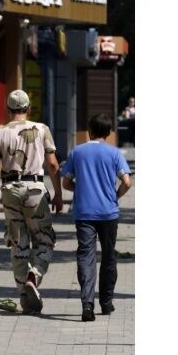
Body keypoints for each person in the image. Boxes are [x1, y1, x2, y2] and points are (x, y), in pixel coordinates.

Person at [0, 90, 64, 315]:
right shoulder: (41, 130)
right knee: (45, 240)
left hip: (9, 190)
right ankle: (34, 276)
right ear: (28, 109)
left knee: (18, 242)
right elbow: (53, 165)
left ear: (7, 110)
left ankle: (23, 296)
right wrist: (58, 194)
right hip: (36, 191)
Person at [60, 113, 132, 321]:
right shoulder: (114, 153)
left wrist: (80, 189)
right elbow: (126, 182)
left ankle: (87, 305)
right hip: (109, 213)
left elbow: (65, 183)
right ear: (109, 133)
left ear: (89, 131)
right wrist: (115, 196)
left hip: (84, 213)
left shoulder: (77, 152)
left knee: (86, 256)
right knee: (109, 256)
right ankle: (107, 303)